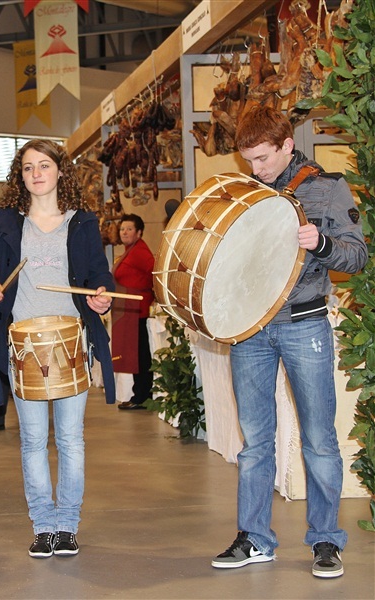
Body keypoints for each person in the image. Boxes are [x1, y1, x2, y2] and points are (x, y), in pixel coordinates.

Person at [211, 105, 366, 578]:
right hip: (251, 329)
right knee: (255, 442)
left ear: (285, 145)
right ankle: (255, 538)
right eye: (248, 160)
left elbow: (357, 256)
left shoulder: (328, 187)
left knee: (319, 440)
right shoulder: (245, 192)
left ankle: (325, 540)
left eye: (262, 158)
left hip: (305, 324)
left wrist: (320, 243)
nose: (255, 169)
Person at [0, 139, 115, 558]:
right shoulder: (6, 221)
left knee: (70, 440)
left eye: (44, 165)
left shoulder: (82, 222)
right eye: (28, 168)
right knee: (31, 440)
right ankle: (43, 525)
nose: (37, 174)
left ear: (60, 170)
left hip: (70, 342)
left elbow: (100, 274)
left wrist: (102, 296)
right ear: (20, 175)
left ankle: (68, 525)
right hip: (22, 343)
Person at [111, 213, 155, 410]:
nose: (125, 232)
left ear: (139, 232)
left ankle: (142, 396)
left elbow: (155, 273)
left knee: (140, 355)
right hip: (130, 310)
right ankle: (140, 394)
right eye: (122, 229)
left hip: (138, 310)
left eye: (129, 229)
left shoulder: (140, 252)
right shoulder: (130, 251)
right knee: (136, 354)